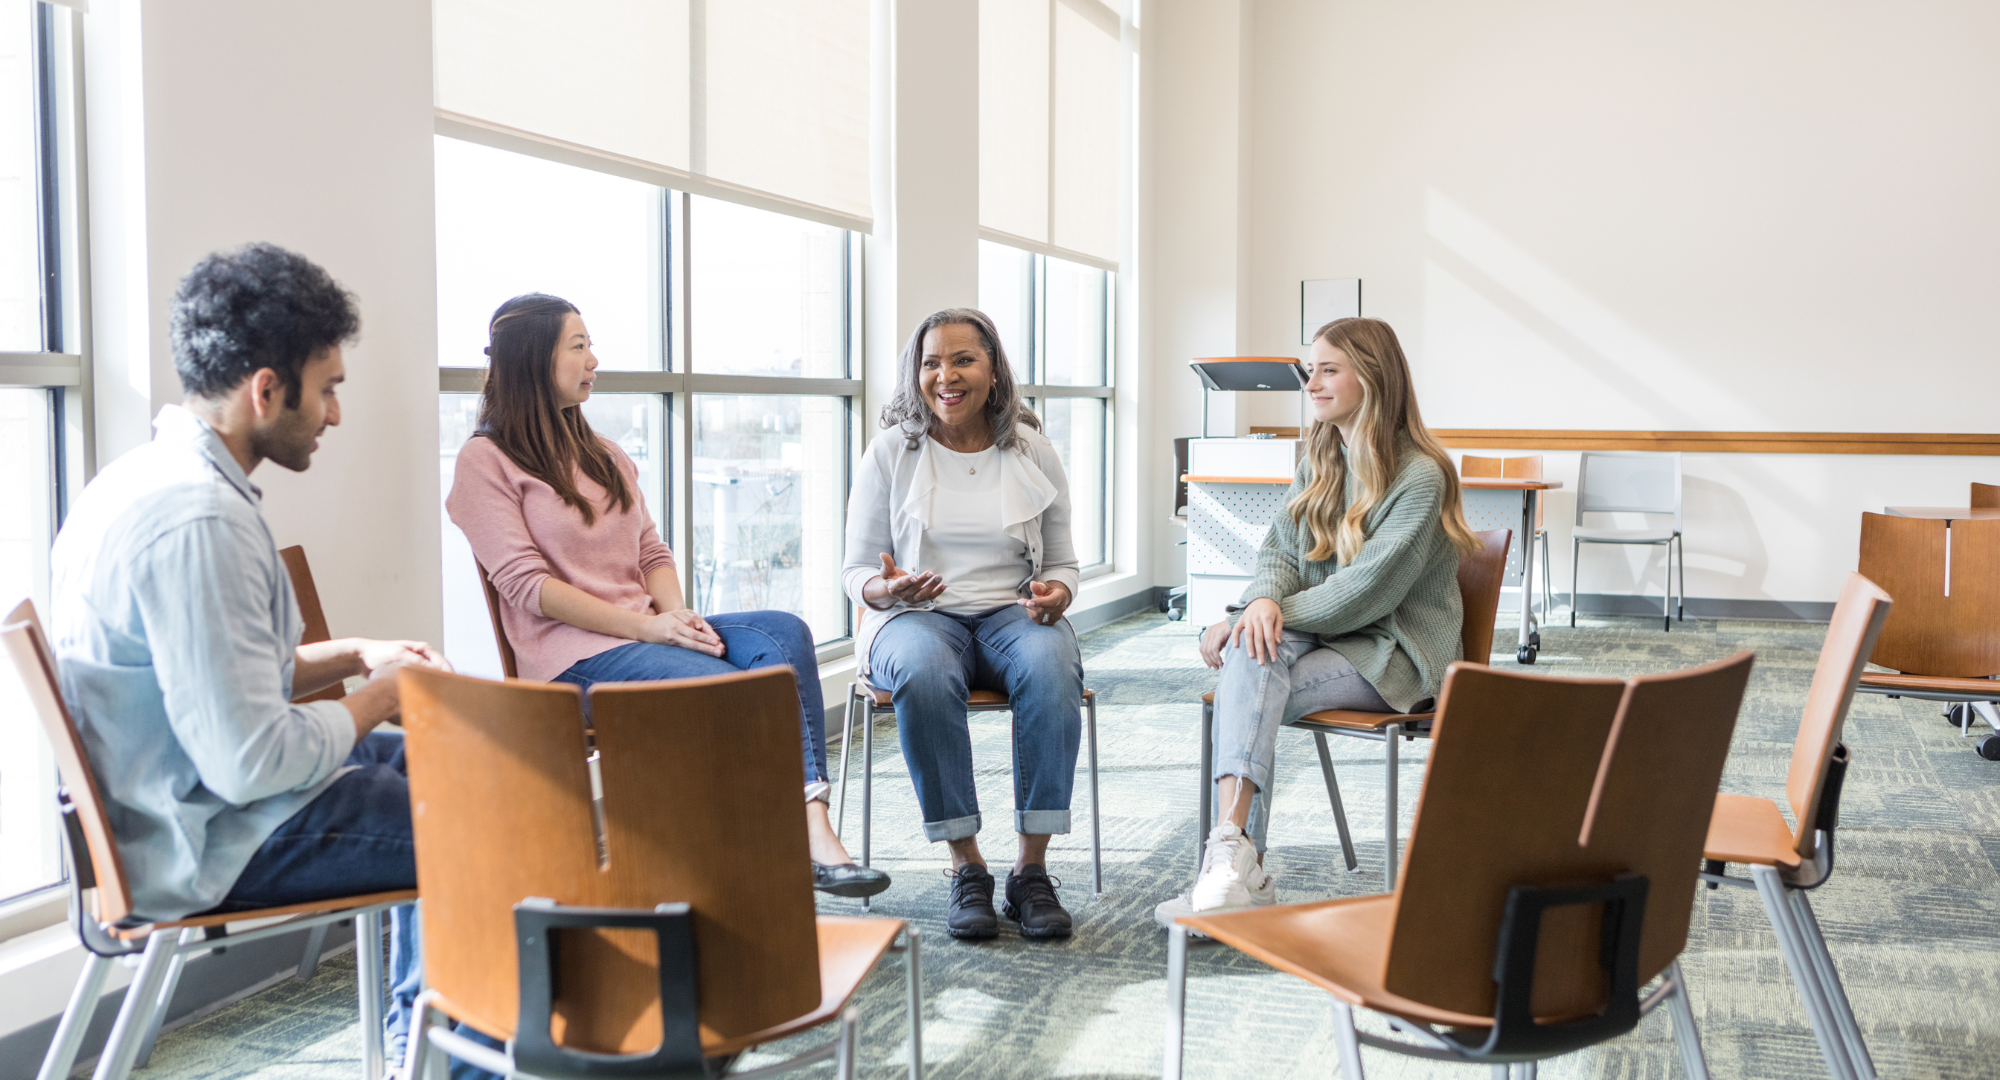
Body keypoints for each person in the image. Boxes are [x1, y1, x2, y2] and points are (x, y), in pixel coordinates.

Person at [48, 244, 451, 1065]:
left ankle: (419, 1036)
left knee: (449, 765)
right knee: (488, 823)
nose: (336, 413)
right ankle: (446, 1054)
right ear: (266, 389)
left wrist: (354, 657)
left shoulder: (141, 481)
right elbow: (252, 759)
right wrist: (378, 696)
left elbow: (214, 683)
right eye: (329, 388)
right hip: (208, 830)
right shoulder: (201, 523)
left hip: (173, 796)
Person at [446, 293, 887, 898]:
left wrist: (674, 614)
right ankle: (763, 856)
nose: (594, 359)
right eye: (578, 346)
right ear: (532, 360)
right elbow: (527, 588)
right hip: (570, 663)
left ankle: (810, 826)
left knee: (785, 632)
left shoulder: (603, 454)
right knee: (734, 689)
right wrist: (649, 629)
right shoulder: (484, 462)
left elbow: (651, 552)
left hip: (646, 633)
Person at [1154, 317, 1482, 929]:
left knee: (1252, 670)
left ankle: (1231, 864)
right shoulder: (1324, 453)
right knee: (1257, 653)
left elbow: (1366, 593)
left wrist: (1264, 614)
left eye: (1329, 369)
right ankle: (1233, 859)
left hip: (1391, 653)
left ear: (1374, 376)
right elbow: (1279, 550)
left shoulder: (1422, 475)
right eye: (1312, 368)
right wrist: (1256, 606)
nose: (1312, 382)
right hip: (1322, 637)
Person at [841, 308, 1085, 941]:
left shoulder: (1031, 447)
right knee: (921, 672)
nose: (945, 376)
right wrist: (885, 588)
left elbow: (1061, 561)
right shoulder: (892, 451)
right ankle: (966, 866)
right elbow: (854, 572)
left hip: (1012, 612)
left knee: (1053, 664)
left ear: (993, 369)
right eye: (931, 363)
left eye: (962, 360)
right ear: (915, 373)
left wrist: (1057, 593)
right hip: (918, 615)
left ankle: (1030, 871)